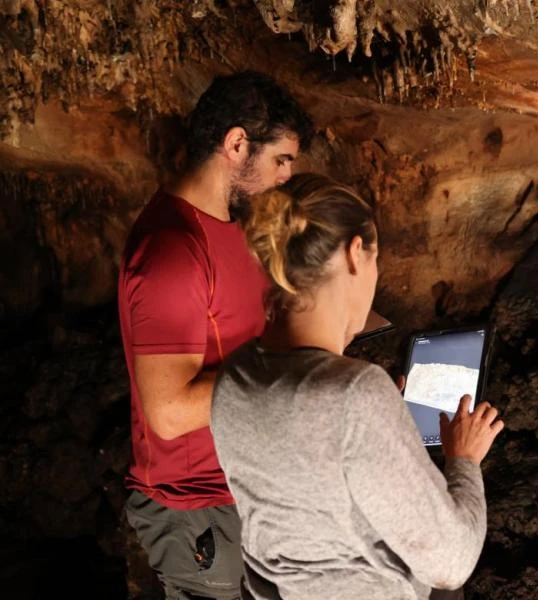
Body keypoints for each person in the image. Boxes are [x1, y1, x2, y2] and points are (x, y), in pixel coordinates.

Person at [211, 173, 504, 599]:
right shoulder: (355, 394)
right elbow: (451, 562)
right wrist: (463, 460)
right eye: (375, 259)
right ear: (354, 256)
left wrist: (384, 424)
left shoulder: (234, 377)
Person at [118, 71, 313, 599]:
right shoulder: (173, 250)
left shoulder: (228, 229)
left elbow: (240, 345)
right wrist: (293, 372)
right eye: (282, 159)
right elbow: (169, 411)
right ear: (236, 143)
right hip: (193, 506)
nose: (285, 176)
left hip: (241, 488)